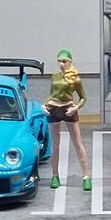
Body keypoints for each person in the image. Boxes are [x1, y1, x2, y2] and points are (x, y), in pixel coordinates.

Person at [41, 49, 91, 191]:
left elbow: (83, 98)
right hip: (53, 109)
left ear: (70, 62)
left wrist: (75, 108)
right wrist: (45, 105)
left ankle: (86, 176)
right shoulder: (55, 76)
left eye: (64, 61)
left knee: (78, 143)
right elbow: (52, 95)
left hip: (68, 109)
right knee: (55, 144)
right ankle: (55, 175)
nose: (61, 64)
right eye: (59, 61)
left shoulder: (76, 79)